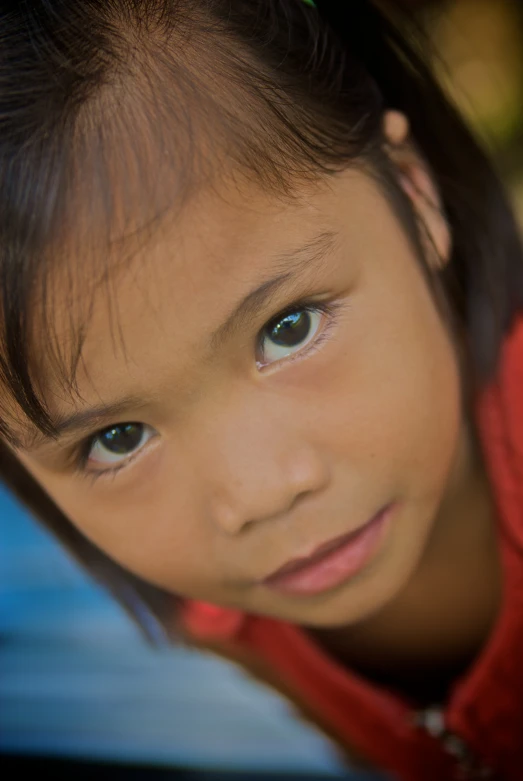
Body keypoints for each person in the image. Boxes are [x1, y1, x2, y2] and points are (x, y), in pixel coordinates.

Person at [0, 0, 522, 778]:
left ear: (413, 197)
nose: (258, 494)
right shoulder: (227, 621)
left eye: (290, 326)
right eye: (117, 439)